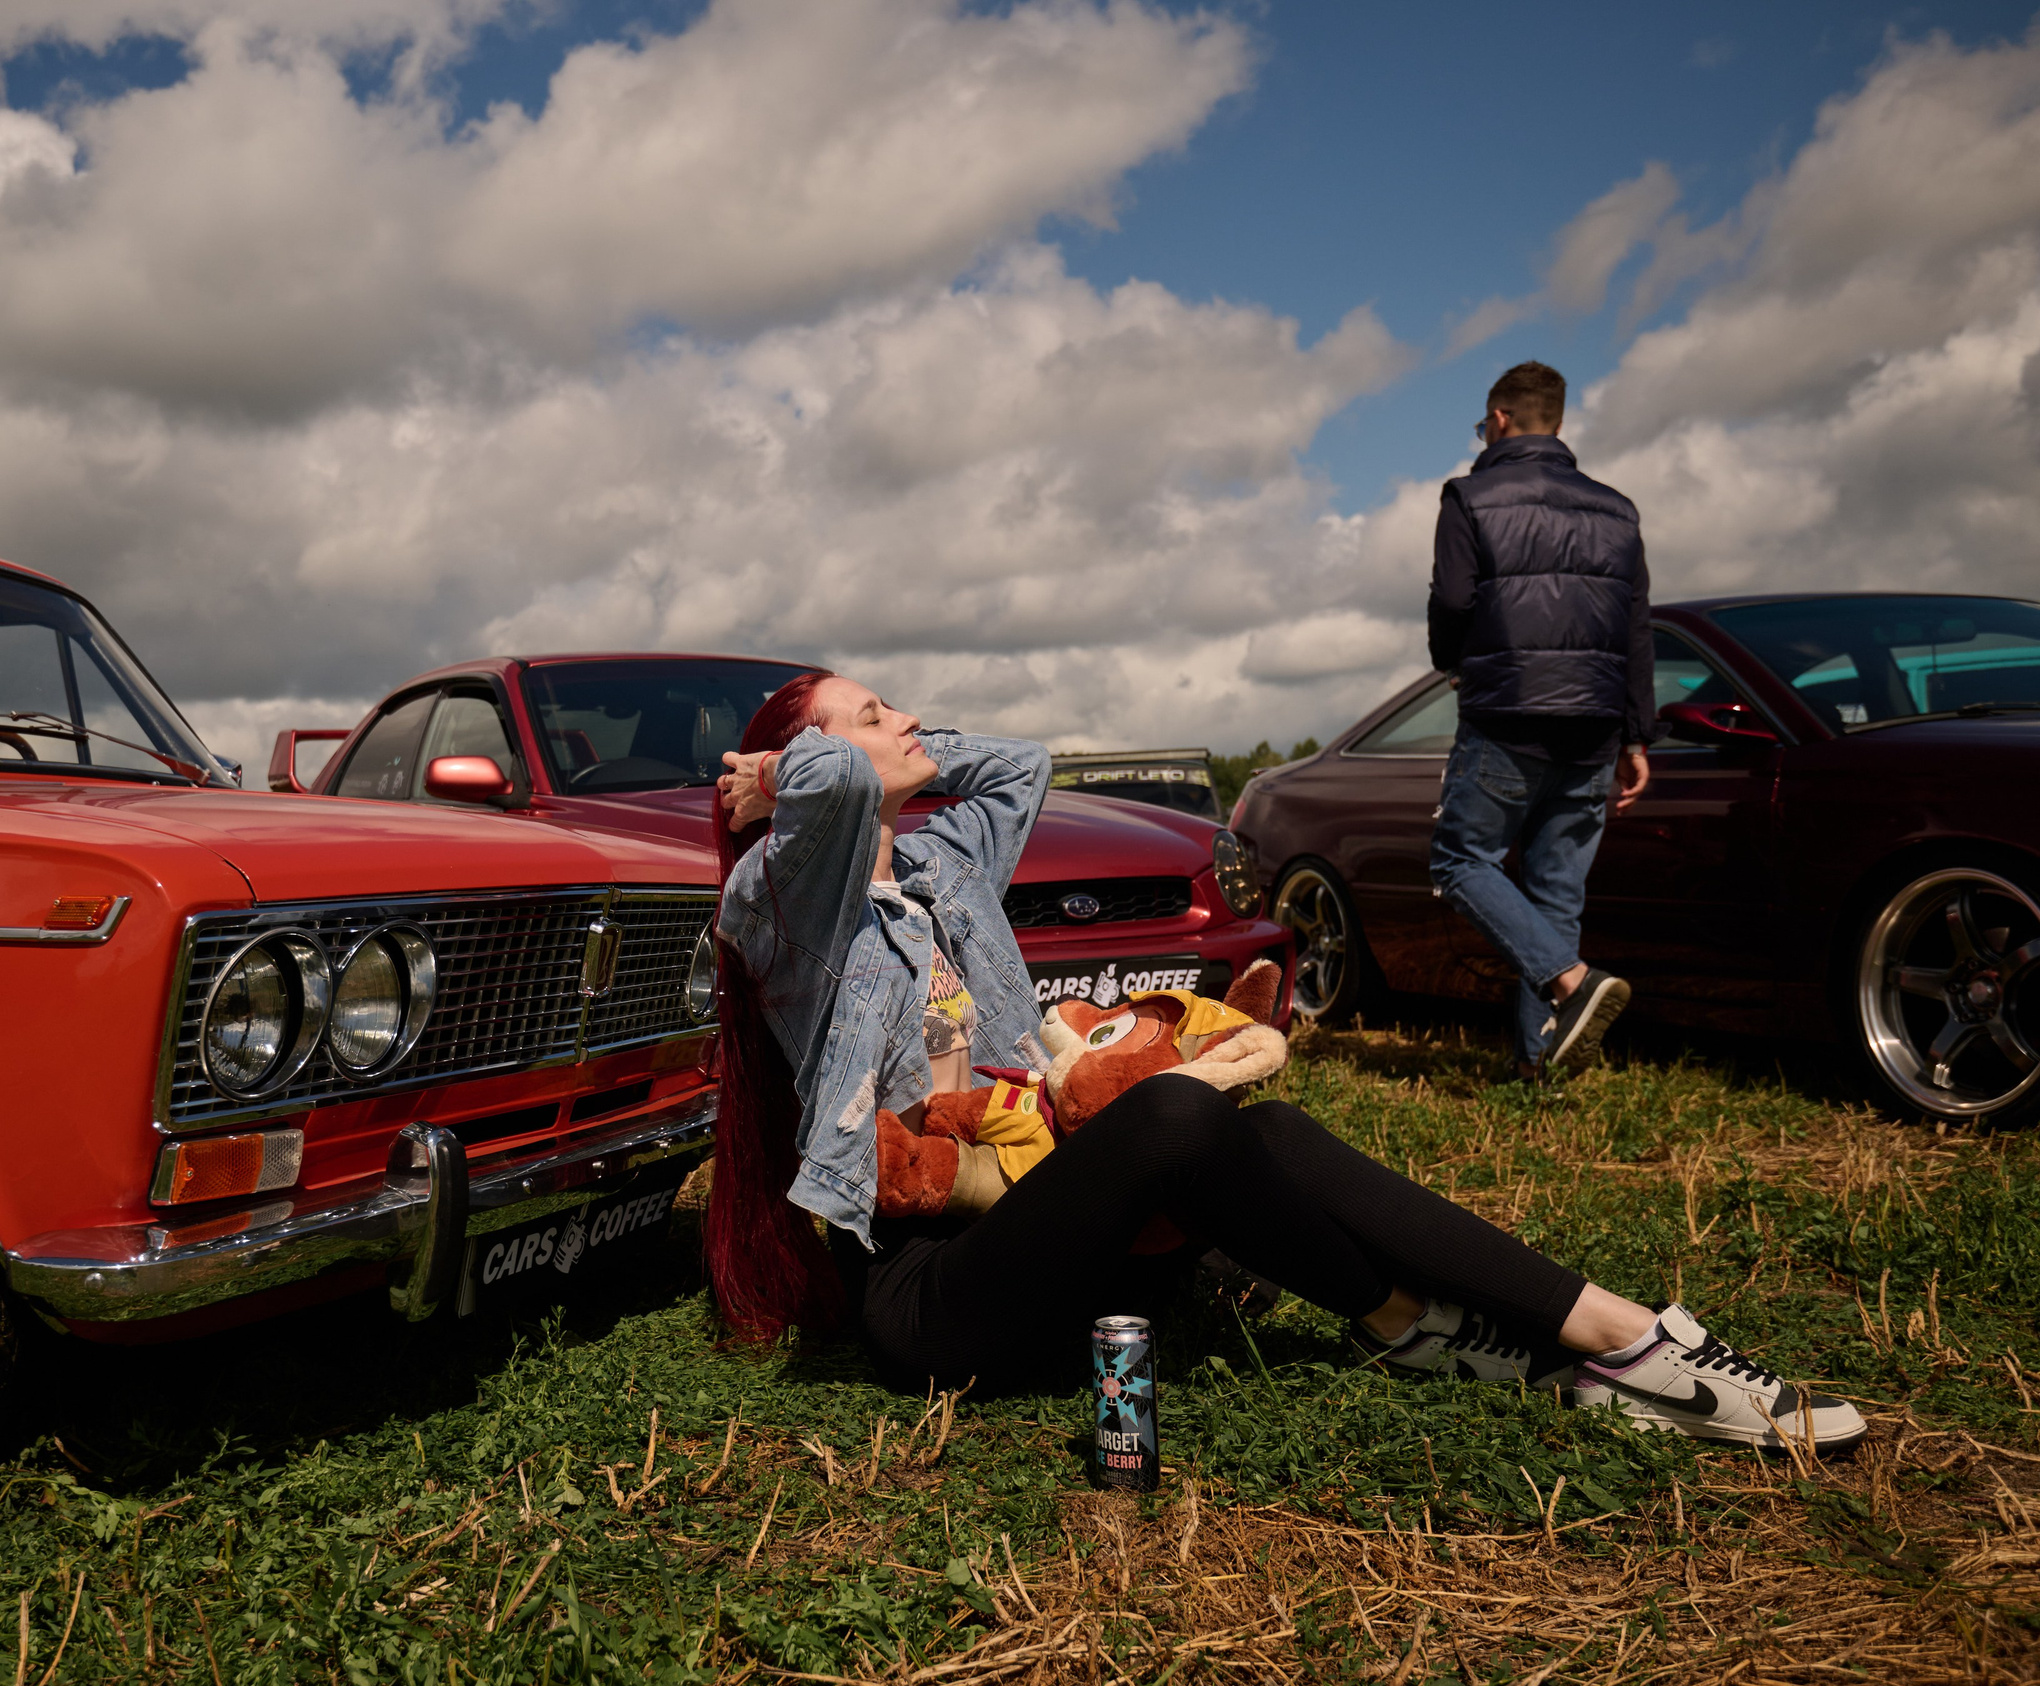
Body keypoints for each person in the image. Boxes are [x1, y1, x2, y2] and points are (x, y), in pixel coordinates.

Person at [705, 670, 1861, 1449]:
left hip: (1059, 1224)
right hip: (943, 1292)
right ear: (797, 768)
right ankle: (1423, 1321)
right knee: (1173, 1114)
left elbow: (1016, 763)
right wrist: (790, 775)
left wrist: (867, 746)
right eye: (874, 713)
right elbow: (835, 792)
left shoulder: (941, 862)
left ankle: (1609, 1332)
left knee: (1266, 1129)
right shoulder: (777, 902)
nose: (909, 719)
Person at [1427, 360, 1653, 1074]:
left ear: (1499, 419)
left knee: (1461, 861)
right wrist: (1636, 734)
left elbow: (1453, 600)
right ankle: (1540, 1067)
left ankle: (1573, 982)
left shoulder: (1469, 497)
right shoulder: (1617, 510)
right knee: (1556, 893)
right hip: (1595, 723)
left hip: (1507, 712)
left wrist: (1451, 660)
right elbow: (1636, 628)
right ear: (1556, 421)